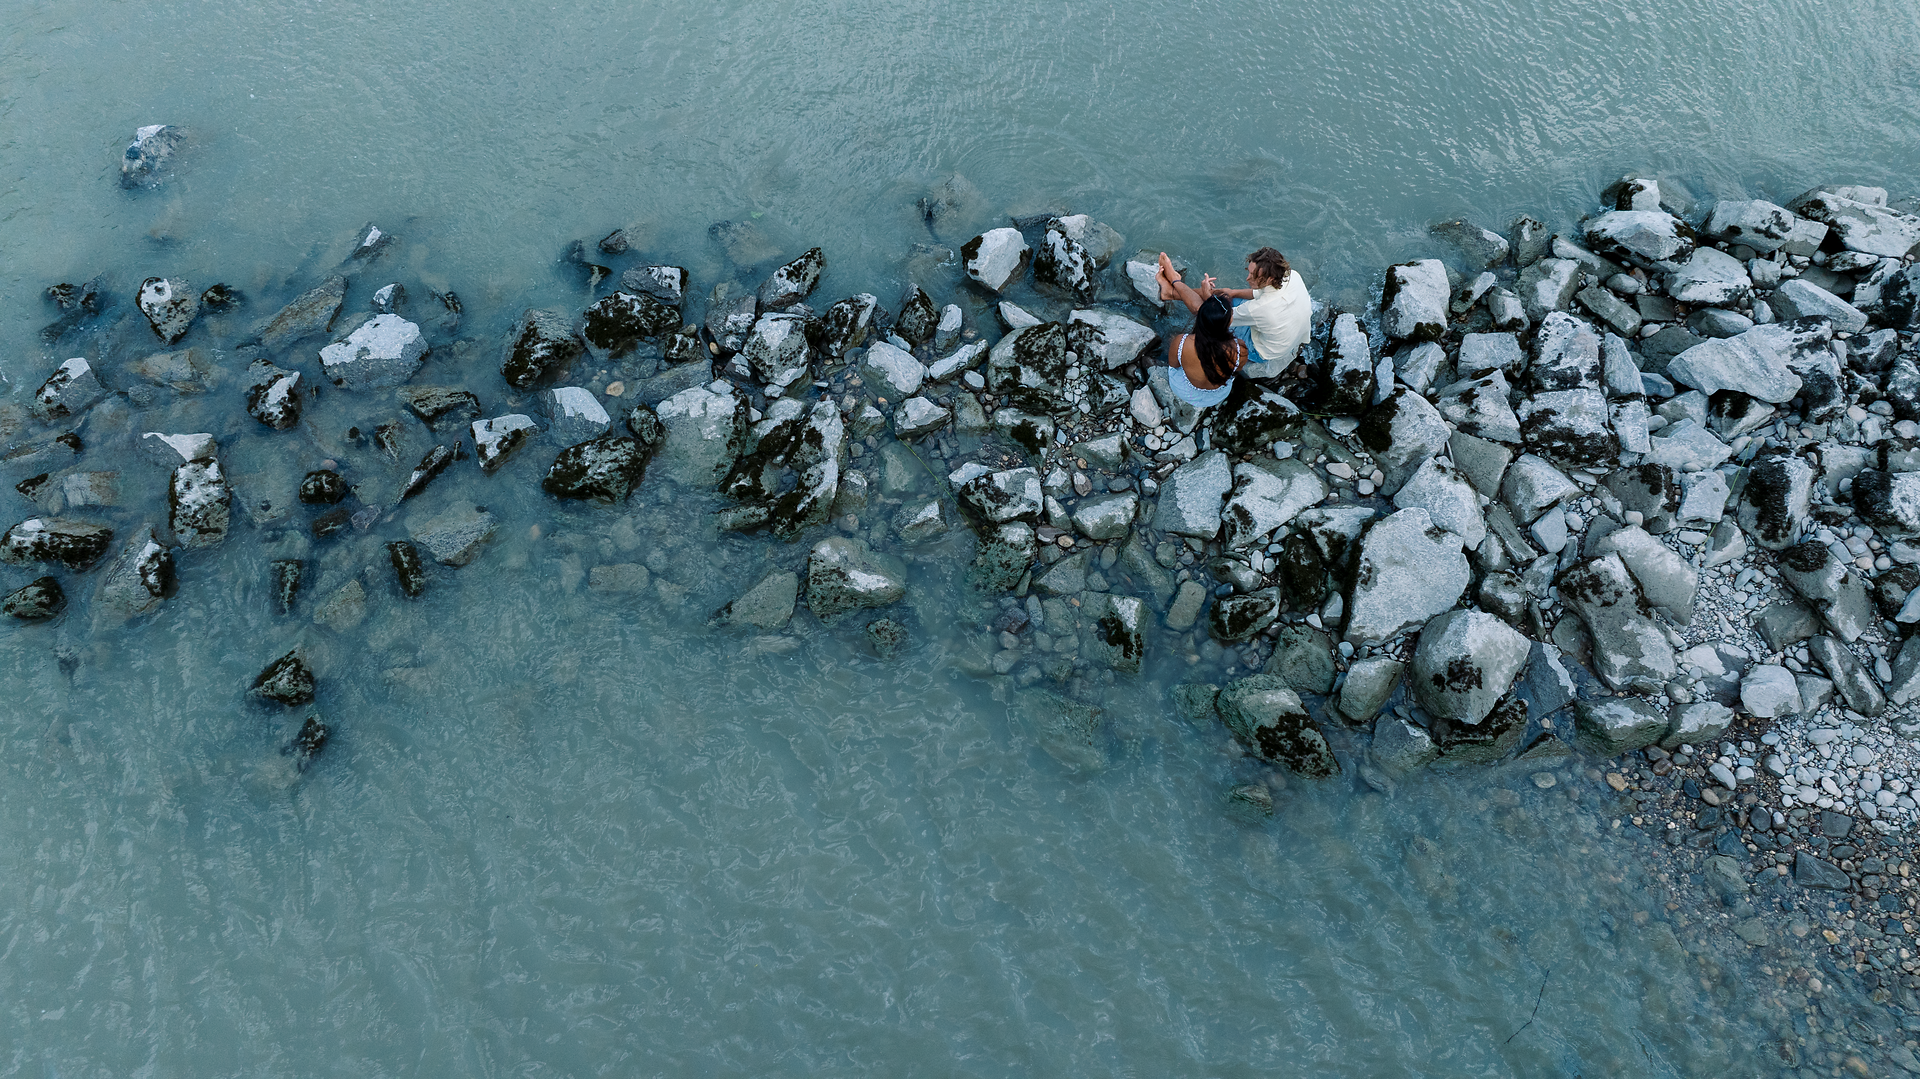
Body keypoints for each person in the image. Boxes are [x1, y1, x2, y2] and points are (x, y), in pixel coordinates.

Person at [1162, 247, 1311, 375]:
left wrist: (1208, 297)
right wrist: (1232, 292)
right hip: (1290, 333)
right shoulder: (1290, 275)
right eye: (1249, 271)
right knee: (1225, 294)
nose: (1247, 278)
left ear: (1270, 279)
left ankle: (1174, 285)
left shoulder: (1259, 309)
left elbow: (1212, 314)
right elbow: (1260, 294)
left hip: (1261, 349)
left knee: (1207, 312)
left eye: (1254, 276)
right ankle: (1171, 293)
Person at [1153, 265, 1246, 409]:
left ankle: (1175, 282)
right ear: (1229, 321)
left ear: (1200, 319)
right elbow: (1236, 370)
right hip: (1217, 395)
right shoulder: (1239, 348)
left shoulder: (1182, 342)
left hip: (1184, 391)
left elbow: (1174, 365)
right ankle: (1175, 283)